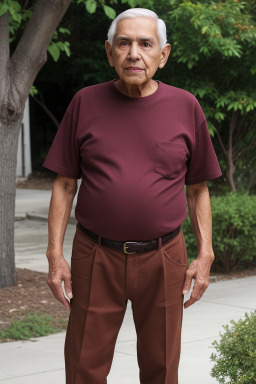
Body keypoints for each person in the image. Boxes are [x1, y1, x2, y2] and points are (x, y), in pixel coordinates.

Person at [43, 8, 222, 384]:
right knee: (83, 368)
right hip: (95, 255)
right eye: (123, 43)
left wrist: (205, 253)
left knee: (161, 368)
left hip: (164, 256)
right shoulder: (84, 103)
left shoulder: (185, 106)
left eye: (145, 44)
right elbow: (63, 184)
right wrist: (55, 253)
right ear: (109, 52)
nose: (133, 53)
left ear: (164, 54)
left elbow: (198, 188)